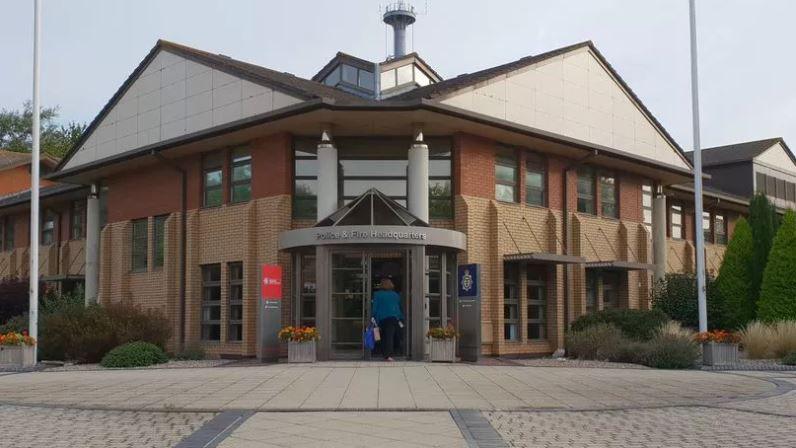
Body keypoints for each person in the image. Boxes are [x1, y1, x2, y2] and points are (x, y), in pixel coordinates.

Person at [372, 276, 403, 361]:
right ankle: (388, 355)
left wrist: (373, 316)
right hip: (393, 317)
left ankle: (383, 352)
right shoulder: (395, 295)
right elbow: (398, 307)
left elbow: (375, 308)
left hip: (381, 318)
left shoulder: (377, 294)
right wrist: (400, 318)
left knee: (381, 336)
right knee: (390, 336)